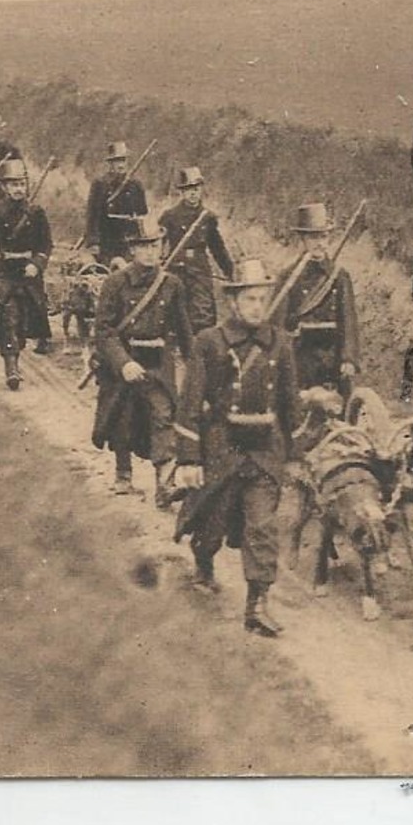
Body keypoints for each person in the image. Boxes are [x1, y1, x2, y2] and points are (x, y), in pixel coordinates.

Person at [174, 259, 300, 637]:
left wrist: (294, 456)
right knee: (212, 522)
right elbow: (190, 402)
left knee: (262, 527)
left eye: (262, 299)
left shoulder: (281, 343)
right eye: (249, 299)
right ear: (233, 302)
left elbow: (289, 405)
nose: (257, 307)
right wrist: (188, 458)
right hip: (222, 448)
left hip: (264, 452)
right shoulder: (209, 342)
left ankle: (257, 605)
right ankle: (203, 560)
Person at [91, 215, 192, 503]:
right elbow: (104, 331)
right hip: (123, 362)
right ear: (132, 250)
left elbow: (185, 334)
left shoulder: (172, 284)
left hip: (158, 363)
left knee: (163, 415)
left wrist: (200, 368)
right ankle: (123, 474)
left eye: (155, 244)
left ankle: (165, 484)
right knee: (122, 416)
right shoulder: (115, 283)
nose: (150, 251)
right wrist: (123, 363)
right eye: (143, 245)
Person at [0, 158, 53, 390]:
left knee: (30, 316)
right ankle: (12, 367)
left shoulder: (36, 213)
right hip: (5, 272)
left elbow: (46, 245)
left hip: (29, 274)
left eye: (22, 183)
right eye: (13, 184)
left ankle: (26, 346)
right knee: (4, 313)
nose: (18, 188)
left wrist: (37, 264)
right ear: (5, 187)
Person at [279, 202, 360, 396]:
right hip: (300, 358)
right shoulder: (288, 277)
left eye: (324, 236)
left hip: (333, 359)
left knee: (341, 415)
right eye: (313, 237)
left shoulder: (339, 276)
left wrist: (348, 359)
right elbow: (279, 324)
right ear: (303, 239)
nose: (320, 243)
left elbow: (348, 320)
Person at [157, 165, 233, 335]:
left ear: (201, 190)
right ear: (182, 192)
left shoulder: (207, 217)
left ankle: (201, 350)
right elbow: (160, 245)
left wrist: (230, 270)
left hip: (199, 270)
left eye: (196, 189)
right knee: (173, 312)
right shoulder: (169, 216)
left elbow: (217, 247)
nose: (193, 193)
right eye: (189, 189)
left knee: (202, 314)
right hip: (175, 269)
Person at [85, 140, 149, 267]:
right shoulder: (100, 184)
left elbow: (142, 211)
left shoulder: (135, 185)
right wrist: (94, 242)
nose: (121, 165)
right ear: (110, 163)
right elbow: (92, 215)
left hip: (130, 239)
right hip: (108, 238)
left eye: (123, 160)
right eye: (117, 161)